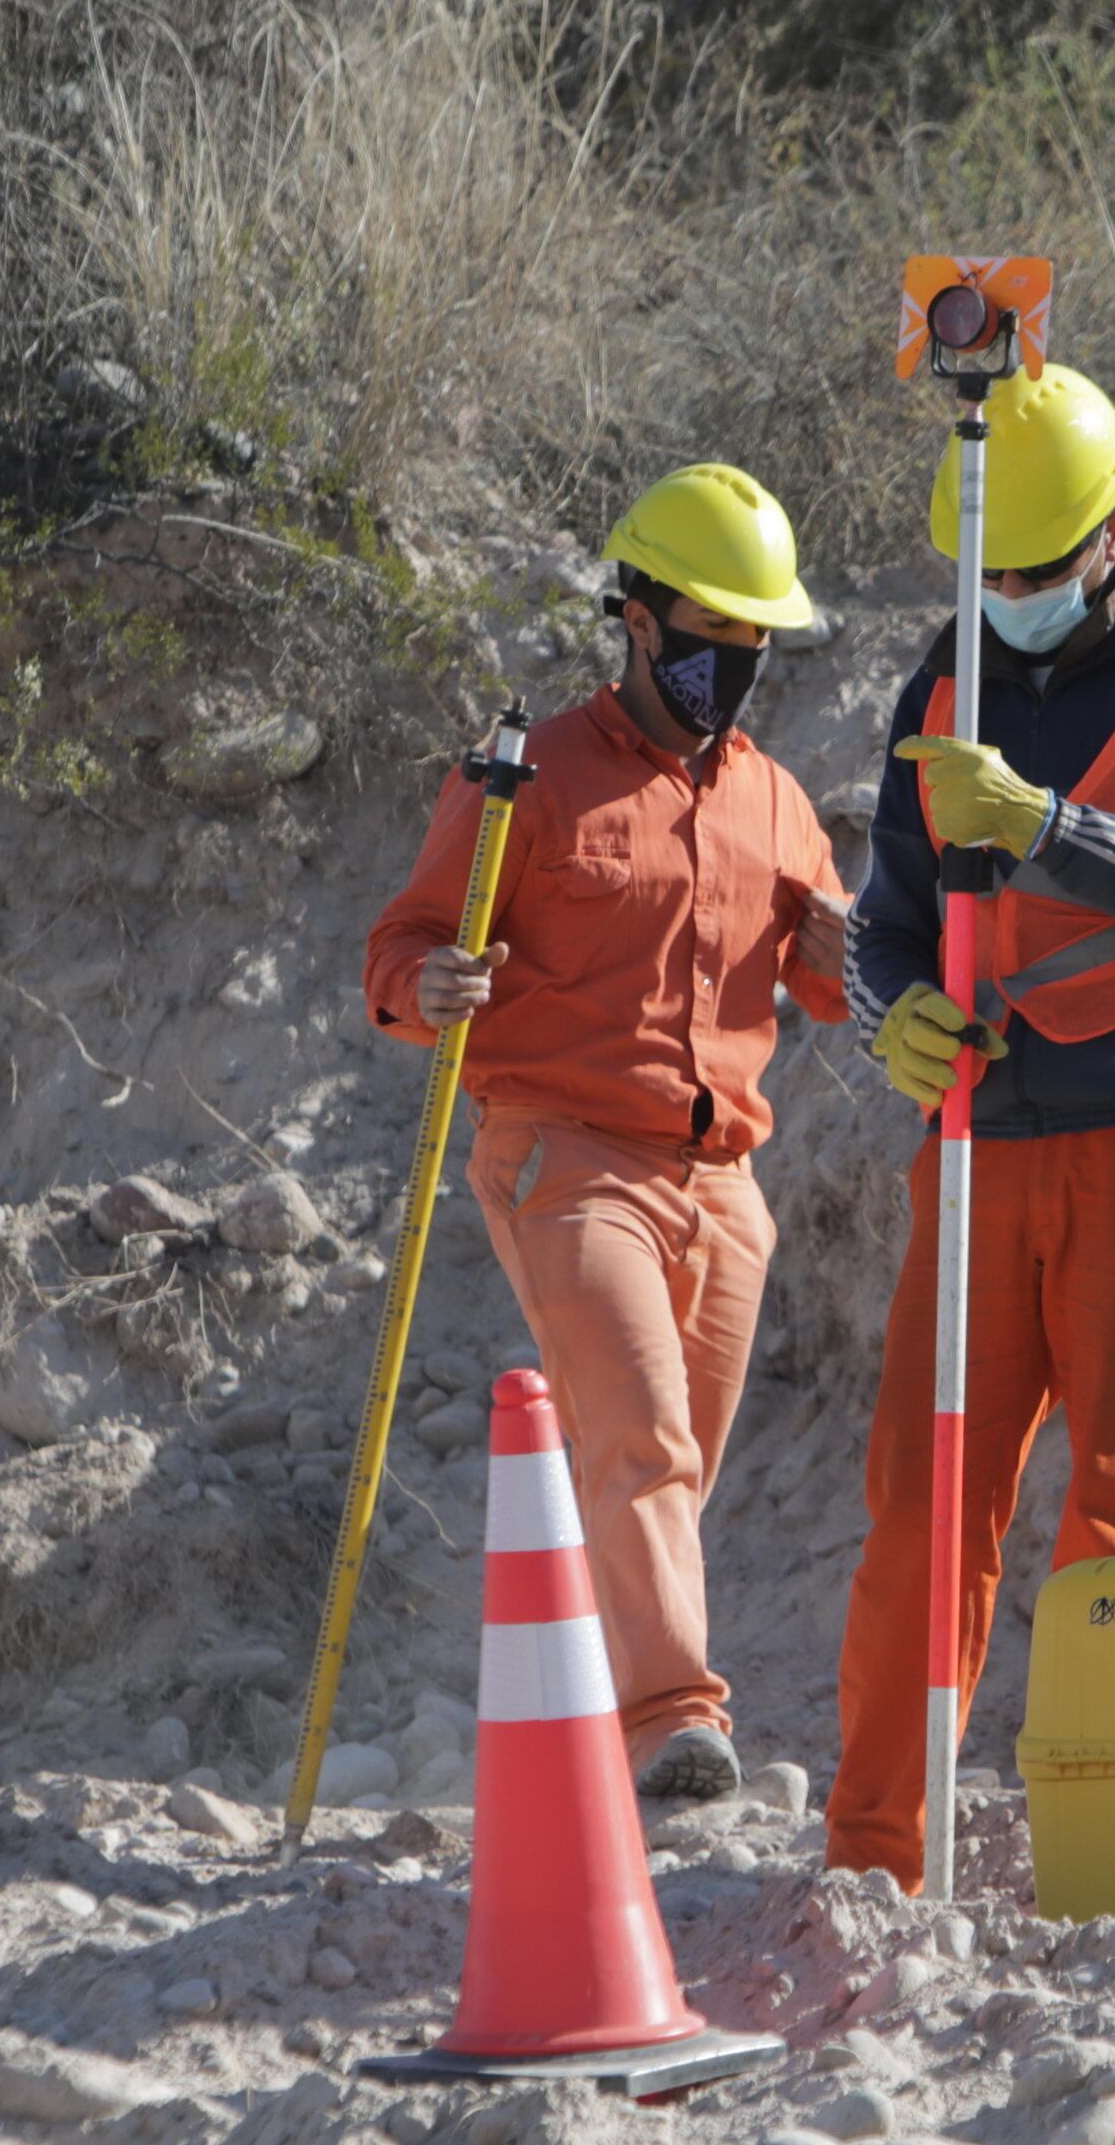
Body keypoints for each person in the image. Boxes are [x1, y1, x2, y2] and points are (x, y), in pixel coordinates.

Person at [826, 363, 1115, 1889]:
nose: (1010, 594)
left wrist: (1036, 821)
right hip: (978, 1145)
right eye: (990, 571)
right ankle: (880, 1857)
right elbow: (886, 924)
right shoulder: (942, 682)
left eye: (1034, 568)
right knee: (924, 1512)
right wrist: (892, 1011)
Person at [362, 463, 851, 1801]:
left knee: (663, 1474)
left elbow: (826, 980)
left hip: (726, 1186)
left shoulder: (777, 803)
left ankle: (573, 1726)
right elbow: (401, 945)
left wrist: (846, 954)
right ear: (637, 619)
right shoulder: (528, 781)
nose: (733, 664)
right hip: (564, 1158)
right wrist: (428, 987)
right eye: (710, 634)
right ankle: (677, 1726)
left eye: (756, 640)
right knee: (639, 1442)